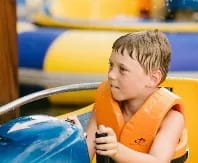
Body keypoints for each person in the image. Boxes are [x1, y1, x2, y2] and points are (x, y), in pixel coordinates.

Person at [68, 30, 187, 162]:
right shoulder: (103, 107)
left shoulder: (172, 119)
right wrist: (76, 138)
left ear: (153, 79)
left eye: (122, 69)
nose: (111, 75)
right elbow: (85, 157)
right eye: (111, 65)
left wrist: (117, 150)